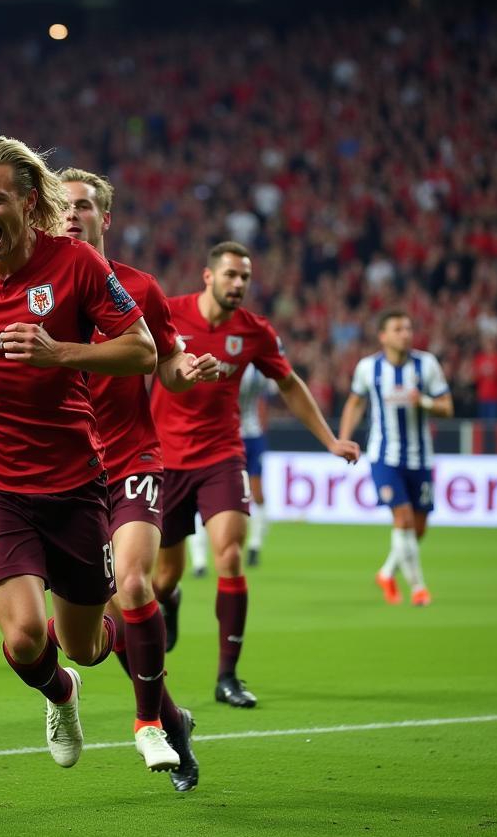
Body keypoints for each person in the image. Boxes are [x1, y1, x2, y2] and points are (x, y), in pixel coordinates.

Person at [0, 136, 157, 772]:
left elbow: (142, 350)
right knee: (25, 635)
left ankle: (111, 664)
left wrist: (60, 352)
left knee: (86, 644)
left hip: (71, 480)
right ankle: (59, 693)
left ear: (28, 200)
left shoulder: (77, 265)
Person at [149, 241, 360, 708]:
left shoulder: (254, 332)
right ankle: (172, 598)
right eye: (230, 275)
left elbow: (289, 383)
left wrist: (329, 440)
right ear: (209, 277)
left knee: (229, 555)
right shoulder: (168, 313)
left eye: (245, 277)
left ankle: (228, 676)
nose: (239, 284)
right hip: (163, 460)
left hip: (223, 455)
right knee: (163, 576)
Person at [61, 167, 219, 789]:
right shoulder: (31, 288)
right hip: (64, 475)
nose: (73, 214)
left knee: (133, 583)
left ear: (106, 217)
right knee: (94, 633)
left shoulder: (139, 289)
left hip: (131, 459)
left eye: (85, 206)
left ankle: (148, 721)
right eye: (63, 206)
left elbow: (170, 370)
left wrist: (190, 368)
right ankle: (176, 717)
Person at [338, 310, 453, 606]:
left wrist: (424, 402)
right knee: (401, 519)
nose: (405, 333)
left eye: (408, 328)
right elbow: (355, 402)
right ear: (383, 336)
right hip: (384, 457)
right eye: (398, 329)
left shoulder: (426, 364)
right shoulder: (368, 368)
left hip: (421, 457)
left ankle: (387, 573)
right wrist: (343, 439)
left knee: (418, 527)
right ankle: (418, 588)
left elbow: (447, 407)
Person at [239, 363, 276, 568]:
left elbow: (264, 401)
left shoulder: (257, 369)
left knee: (257, 492)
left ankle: (254, 545)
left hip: (252, 437)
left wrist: (262, 431)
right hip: (224, 437)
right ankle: (200, 561)